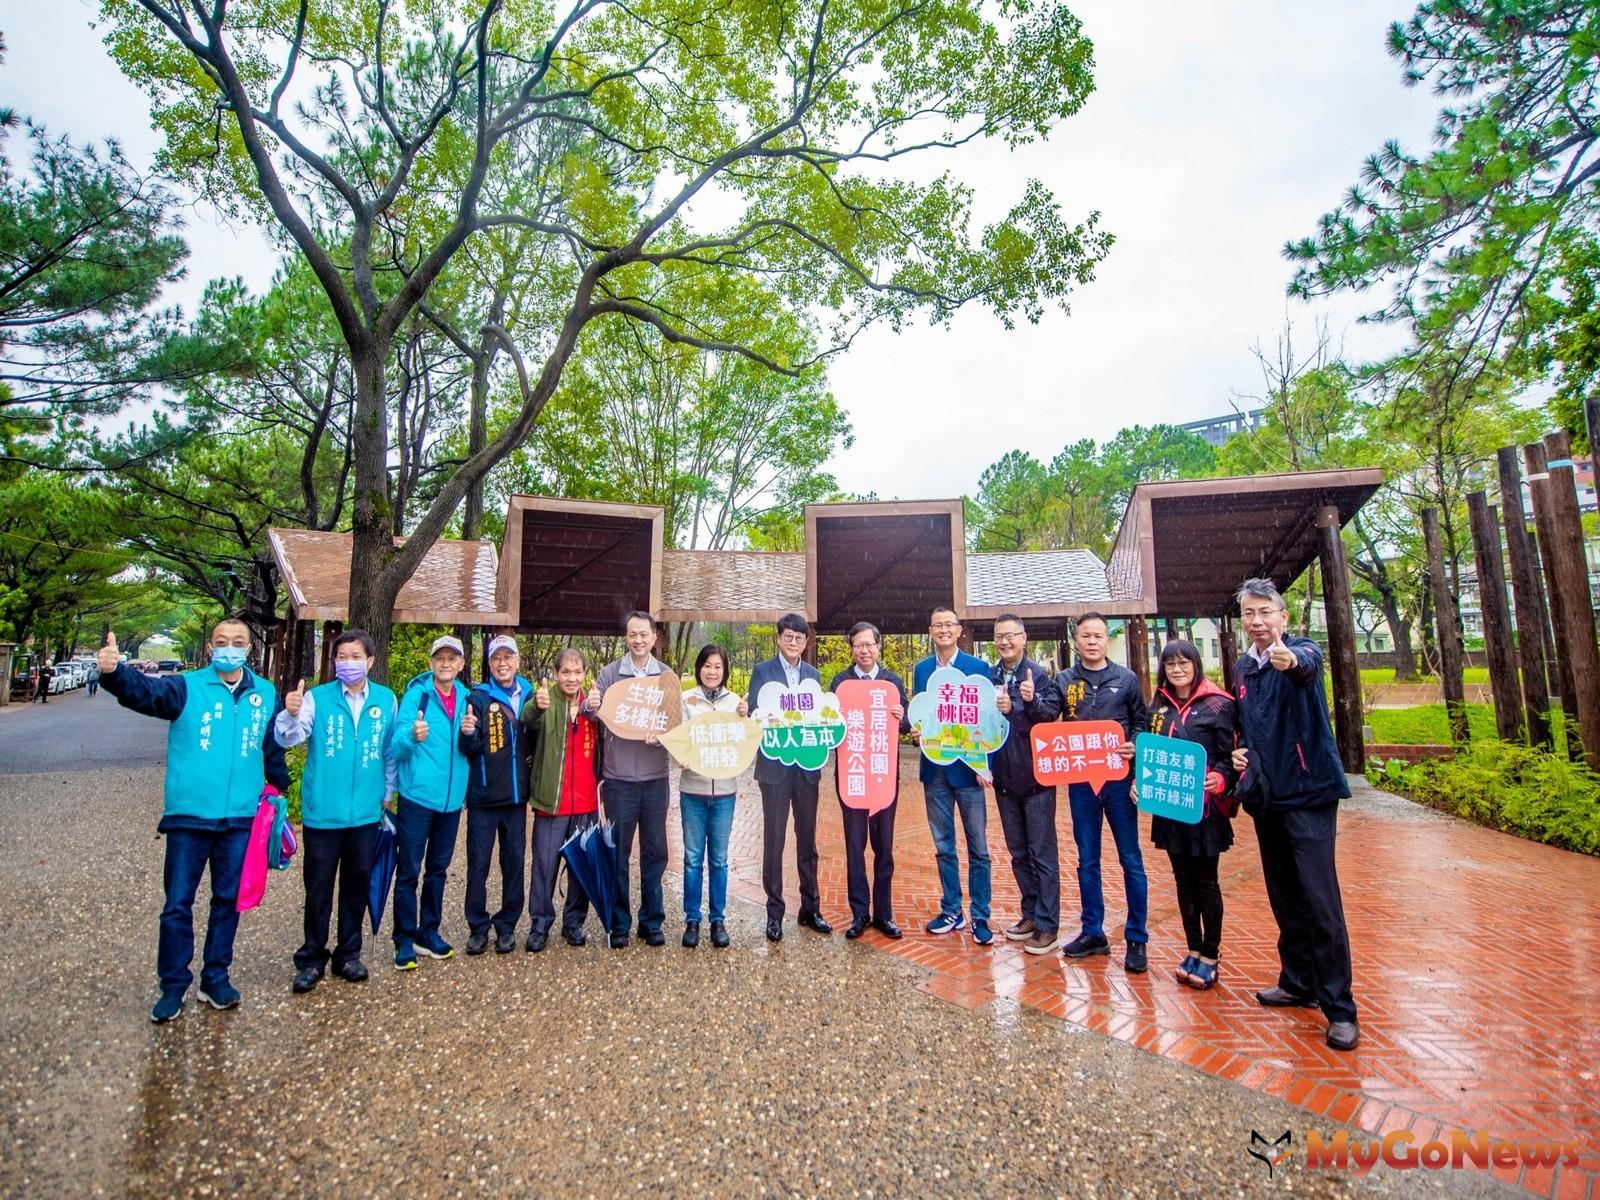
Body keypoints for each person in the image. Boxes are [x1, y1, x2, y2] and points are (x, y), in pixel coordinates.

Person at [98, 623, 287, 1023]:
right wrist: (115, 673)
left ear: (250, 649)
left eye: (238, 644)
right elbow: (145, 693)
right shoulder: (186, 688)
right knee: (177, 904)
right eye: (222, 644)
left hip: (240, 817)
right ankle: (172, 985)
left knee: (227, 901)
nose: (230, 650)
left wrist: (279, 794)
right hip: (189, 817)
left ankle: (215, 977)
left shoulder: (264, 694)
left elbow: (271, 750)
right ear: (210, 647)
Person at [1230, 578, 1360, 1052]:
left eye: (1265, 612)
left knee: (1319, 900)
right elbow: (1248, 727)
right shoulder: (1244, 669)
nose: (1257, 621)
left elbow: (1305, 666)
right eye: (1249, 613)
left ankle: (1340, 1008)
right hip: (1268, 796)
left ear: (1283, 617)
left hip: (1308, 793)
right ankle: (1298, 980)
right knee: (1284, 895)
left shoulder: (1301, 652)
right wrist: (1240, 753)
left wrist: (1292, 660)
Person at [275, 629, 397, 993]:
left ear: (370, 661)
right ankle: (312, 958)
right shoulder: (317, 698)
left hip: (365, 812)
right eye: (341, 657)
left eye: (355, 656)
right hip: (323, 811)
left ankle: (348, 953)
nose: (348, 663)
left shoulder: (386, 700)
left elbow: (389, 751)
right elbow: (289, 738)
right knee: (318, 887)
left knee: (356, 884)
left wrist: (387, 793)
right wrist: (290, 713)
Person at [1054, 612, 1150, 972]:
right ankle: (1092, 931)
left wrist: (1134, 744)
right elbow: (1049, 714)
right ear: (1075, 640)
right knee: (1087, 860)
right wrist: (1034, 702)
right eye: (1085, 636)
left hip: (1119, 782)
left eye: (1098, 635)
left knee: (1131, 860)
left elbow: (1140, 723)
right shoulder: (1064, 680)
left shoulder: (1126, 679)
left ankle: (1137, 938)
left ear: (1107, 639)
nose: (1091, 641)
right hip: (1081, 783)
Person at [1144, 640, 1238, 990]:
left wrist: (1221, 777)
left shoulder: (1219, 704)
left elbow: (1231, 756)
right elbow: (1147, 752)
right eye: (1170, 664)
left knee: (1207, 882)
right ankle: (1192, 949)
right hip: (1171, 808)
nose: (1177, 669)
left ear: (1196, 664)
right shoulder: (1157, 707)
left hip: (1206, 811)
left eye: (1184, 663)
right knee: (1182, 880)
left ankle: (1211, 954)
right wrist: (1140, 779)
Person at [586, 612, 673, 949]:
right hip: (619, 778)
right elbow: (594, 713)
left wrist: (663, 735)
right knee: (618, 851)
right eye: (632, 635)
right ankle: (619, 922)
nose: (638, 640)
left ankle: (652, 921)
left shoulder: (666, 677)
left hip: (655, 778)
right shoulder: (610, 674)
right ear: (627, 638)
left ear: (654, 638)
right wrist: (591, 705)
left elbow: (675, 724)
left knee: (655, 851)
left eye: (644, 635)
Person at [910, 605, 994, 943]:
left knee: (979, 848)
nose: (943, 630)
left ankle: (981, 916)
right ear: (930, 632)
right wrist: (917, 731)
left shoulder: (978, 668)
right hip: (935, 772)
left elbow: (987, 721)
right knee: (944, 845)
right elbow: (922, 714)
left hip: (969, 772)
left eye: (949, 625)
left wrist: (985, 765)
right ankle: (951, 909)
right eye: (937, 626)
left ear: (959, 630)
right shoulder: (922, 669)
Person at [388, 635, 471, 971]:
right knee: (408, 869)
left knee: (437, 870)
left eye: (452, 658)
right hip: (417, 797)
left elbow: (471, 746)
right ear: (431, 662)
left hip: (451, 801)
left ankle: (429, 931)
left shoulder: (468, 698)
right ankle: (403, 939)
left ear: (462, 664)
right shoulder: (416, 696)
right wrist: (412, 736)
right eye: (440, 658)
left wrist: (470, 734)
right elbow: (396, 747)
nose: (446, 664)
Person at [747, 612, 831, 942]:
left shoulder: (812, 674)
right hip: (775, 768)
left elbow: (820, 716)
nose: (793, 641)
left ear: (806, 642)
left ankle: (811, 908)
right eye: (788, 636)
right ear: (779, 638)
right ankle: (774, 912)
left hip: (807, 767)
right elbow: (756, 710)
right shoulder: (762, 671)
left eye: (799, 637)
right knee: (774, 840)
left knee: (808, 841)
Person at [827, 621, 909, 941]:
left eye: (869, 645)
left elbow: (904, 728)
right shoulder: (841, 682)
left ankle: (884, 914)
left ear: (879, 647)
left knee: (884, 848)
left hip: (884, 778)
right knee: (854, 846)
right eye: (858, 645)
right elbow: (832, 731)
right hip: (852, 778)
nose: (864, 650)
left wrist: (903, 717)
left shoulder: (892, 682)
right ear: (852, 649)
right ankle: (859, 913)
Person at [987, 614, 1064, 955]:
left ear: (1023, 637)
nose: (1005, 642)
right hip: (1003, 779)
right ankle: (1030, 913)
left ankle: (1048, 925)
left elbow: (1048, 717)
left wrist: (1024, 703)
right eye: (1000, 636)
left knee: (1042, 854)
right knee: (1018, 853)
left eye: (1011, 636)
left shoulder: (1039, 674)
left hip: (1036, 779)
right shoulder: (989, 676)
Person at [521, 648, 604, 952]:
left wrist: (597, 711)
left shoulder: (591, 704)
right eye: (565, 672)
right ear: (556, 674)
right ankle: (540, 924)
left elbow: (609, 733)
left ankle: (574, 923)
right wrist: (536, 706)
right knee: (544, 864)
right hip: (551, 801)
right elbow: (527, 718)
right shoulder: (545, 701)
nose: (571, 678)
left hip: (586, 802)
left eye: (577, 672)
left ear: (585, 674)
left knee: (581, 867)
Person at [458, 634, 533, 956]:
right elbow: (468, 749)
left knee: (514, 862)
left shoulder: (530, 696)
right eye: (496, 658)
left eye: (508, 657)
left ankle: (507, 926)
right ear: (490, 664)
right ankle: (478, 926)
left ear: (517, 660)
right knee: (478, 864)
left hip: (517, 799)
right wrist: (467, 733)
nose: (503, 663)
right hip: (483, 798)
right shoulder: (477, 698)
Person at [678, 643, 747, 949]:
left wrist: (745, 720)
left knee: (718, 860)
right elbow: (676, 738)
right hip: (692, 790)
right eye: (707, 666)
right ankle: (692, 919)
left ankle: (717, 920)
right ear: (699, 669)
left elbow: (745, 745)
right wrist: (679, 755)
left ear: (725, 670)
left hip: (725, 793)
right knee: (693, 859)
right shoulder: (686, 700)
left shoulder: (735, 702)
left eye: (718, 666)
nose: (712, 671)